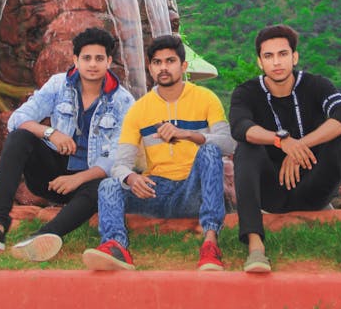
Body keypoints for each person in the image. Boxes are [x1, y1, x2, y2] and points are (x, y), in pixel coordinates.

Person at [0, 27, 134, 261]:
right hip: (51, 175)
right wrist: (50, 132)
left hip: (87, 183)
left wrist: (77, 178)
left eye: (99, 58)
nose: (92, 64)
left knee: (106, 185)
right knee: (19, 137)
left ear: (109, 61)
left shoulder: (123, 101)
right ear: (75, 60)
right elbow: (18, 119)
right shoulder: (58, 85)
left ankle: (43, 236)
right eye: (86, 58)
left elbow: (114, 159)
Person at [82, 34, 236, 271]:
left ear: (183, 66)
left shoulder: (206, 99)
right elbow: (120, 164)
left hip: (192, 189)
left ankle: (210, 243)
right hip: (154, 192)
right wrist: (132, 178)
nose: (163, 68)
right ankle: (115, 246)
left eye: (170, 61)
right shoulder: (139, 109)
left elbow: (229, 143)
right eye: (157, 62)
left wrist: (187, 134)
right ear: (150, 68)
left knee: (209, 151)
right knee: (109, 185)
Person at [229, 24, 341, 274]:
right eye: (268, 56)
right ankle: (255, 246)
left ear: (294, 57)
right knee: (246, 147)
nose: (277, 62)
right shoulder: (247, 92)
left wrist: (300, 145)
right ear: (259, 62)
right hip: (271, 192)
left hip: (313, 187)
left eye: (283, 54)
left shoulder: (317, 86)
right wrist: (281, 140)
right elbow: (241, 127)